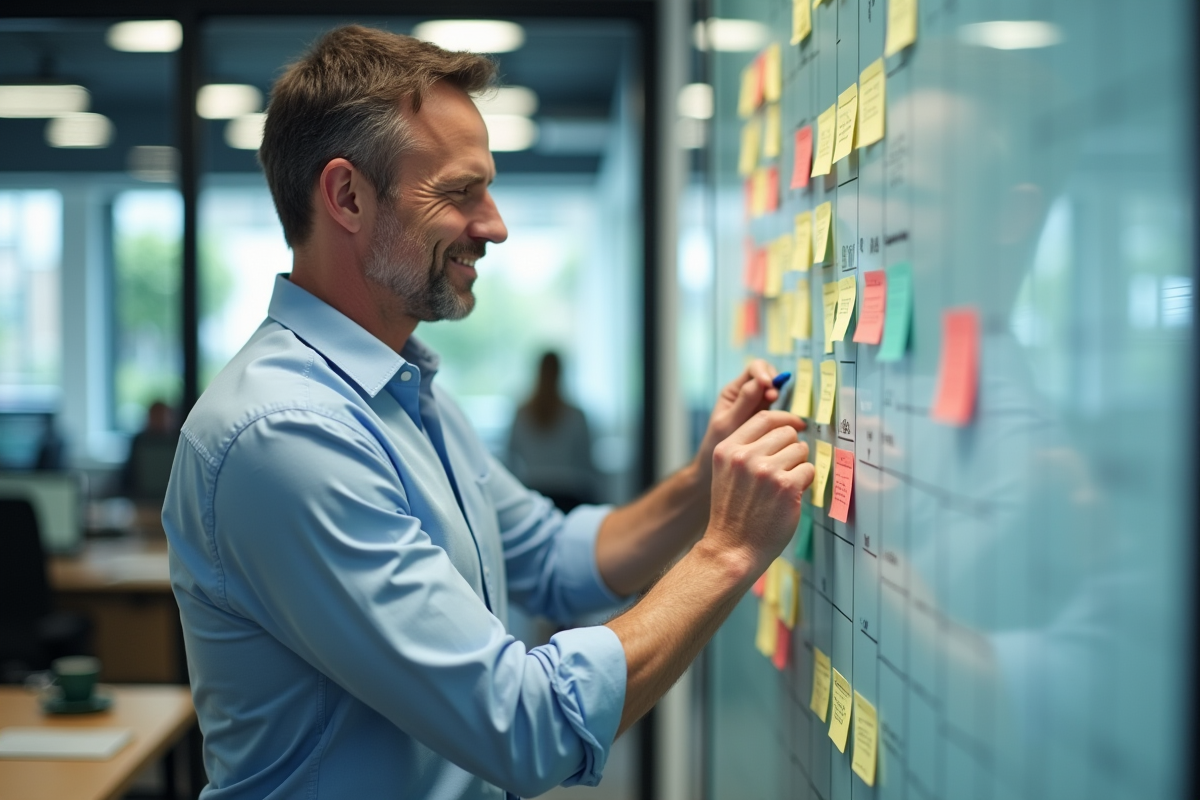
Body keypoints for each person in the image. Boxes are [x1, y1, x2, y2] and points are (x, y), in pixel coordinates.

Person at [163, 25, 812, 800]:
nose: (495, 224)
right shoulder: (286, 432)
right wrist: (727, 552)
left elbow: (551, 559)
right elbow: (525, 727)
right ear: (347, 197)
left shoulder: (400, 393)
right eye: (458, 192)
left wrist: (704, 483)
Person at [506, 351, 598, 513]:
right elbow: (586, 462)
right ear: (561, 373)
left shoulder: (522, 412)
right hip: (568, 495)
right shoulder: (576, 415)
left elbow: (511, 455)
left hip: (534, 492)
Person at [120, 400, 178, 502]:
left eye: (162, 416)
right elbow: (128, 477)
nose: (158, 419)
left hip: (171, 501)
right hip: (141, 501)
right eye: (155, 415)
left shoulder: (177, 442)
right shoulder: (139, 442)